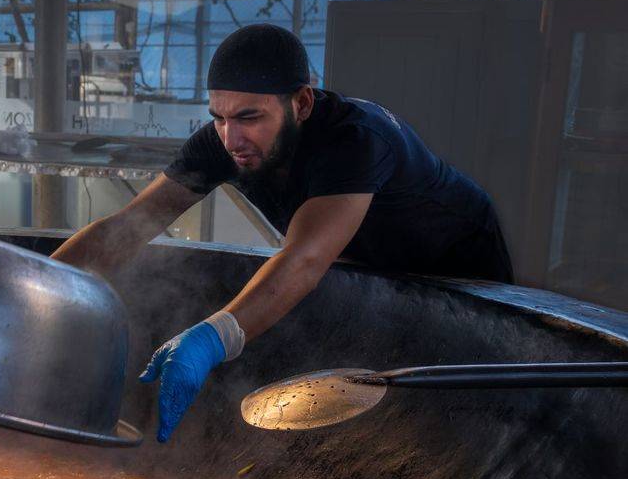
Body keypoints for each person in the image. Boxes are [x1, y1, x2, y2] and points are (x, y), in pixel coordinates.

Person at [53, 23, 513, 443]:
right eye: (219, 117)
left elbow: (304, 260)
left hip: (458, 266)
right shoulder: (223, 142)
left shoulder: (356, 139)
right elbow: (127, 227)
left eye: (249, 117)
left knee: (467, 411)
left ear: (302, 104)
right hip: (364, 262)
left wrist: (210, 340)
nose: (231, 139)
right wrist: (36, 293)